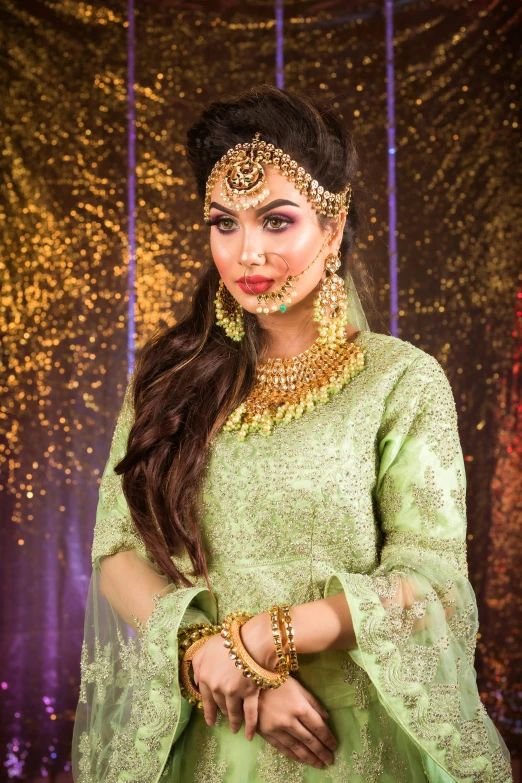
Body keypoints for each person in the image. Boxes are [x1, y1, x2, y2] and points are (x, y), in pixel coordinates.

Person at [71, 85, 513, 783]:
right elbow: (118, 551)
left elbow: (428, 583)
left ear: (332, 228)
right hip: (212, 725)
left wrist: (258, 638)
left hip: (347, 738)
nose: (249, 252)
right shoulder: (169, 378)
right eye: (225, 224)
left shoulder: (399, 381)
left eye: (277, 221)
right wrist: (213, 665)